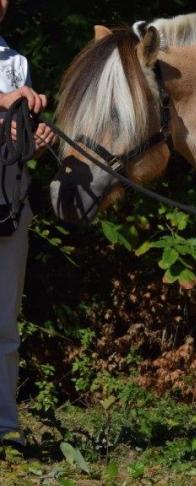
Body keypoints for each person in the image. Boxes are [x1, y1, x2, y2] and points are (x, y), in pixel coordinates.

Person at [0, 0, 55, 449]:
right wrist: (7, 103)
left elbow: (15, 148)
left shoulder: (18, 63)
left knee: (4, 322)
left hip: (9, 208)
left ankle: (5, 426)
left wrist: (33, 141)